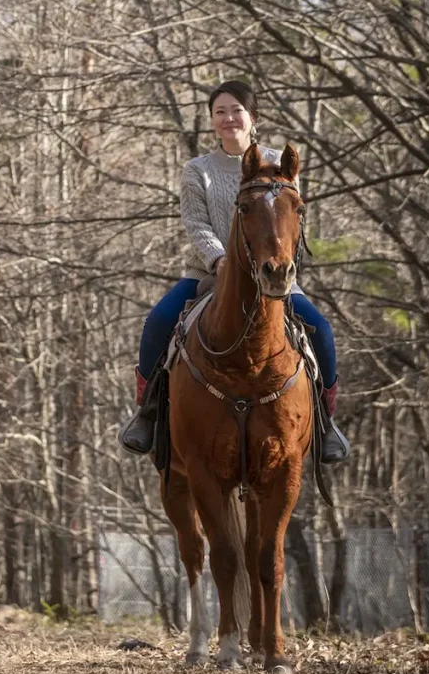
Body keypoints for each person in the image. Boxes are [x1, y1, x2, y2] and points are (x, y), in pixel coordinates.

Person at [119, 80, 350, 463]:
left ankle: (325, 423)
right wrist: (220, 259)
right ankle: (148, 413)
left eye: (236, 110)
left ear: (252, 117)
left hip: (271, 276)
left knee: (321, 330)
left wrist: (277, 263)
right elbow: (195, 223)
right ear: (212, 121)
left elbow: (289, 223)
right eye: (219, 112)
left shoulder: (279, 164)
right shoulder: (198, 170)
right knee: (159, 319)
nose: (228, 118)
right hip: (209, 273)